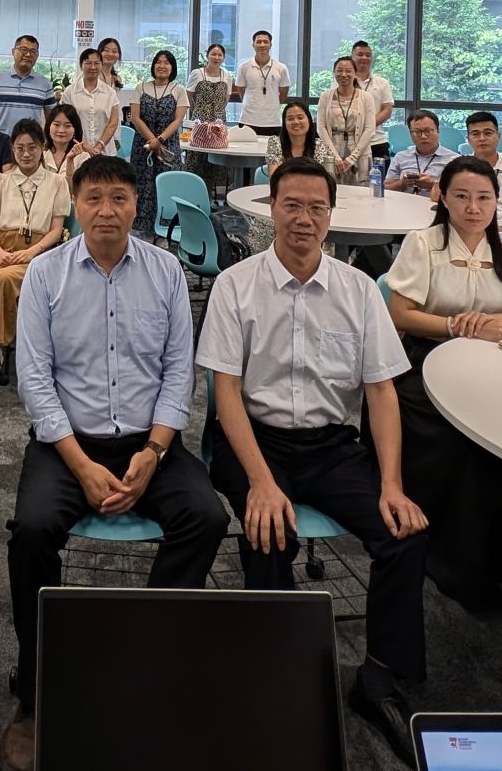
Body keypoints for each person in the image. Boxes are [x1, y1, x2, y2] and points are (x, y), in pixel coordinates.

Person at [0, 155, 227, 770]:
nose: (107, 211)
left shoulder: (166, 270)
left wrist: (154, 452)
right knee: (31, 532)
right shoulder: (45, 274)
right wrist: (78, 464)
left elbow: (179, 372)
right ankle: (36, 688)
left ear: (136, 204)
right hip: (66, 443)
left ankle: (145, 653)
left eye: (119, 198)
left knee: (206, 517)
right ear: (75, 205)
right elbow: (34, 379)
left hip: (150, 443)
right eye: (94, 198)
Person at [198, 157, 428, 762]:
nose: (304, 219)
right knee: (267, 530)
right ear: (271, 209)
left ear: (331, 215)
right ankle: (277, 675)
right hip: (254, 441)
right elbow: (226, 393)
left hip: (330, 447)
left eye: (316, 208)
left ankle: (377, 678)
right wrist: (260, 482)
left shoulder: (358, 290)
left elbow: (381, 392)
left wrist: (392, 484)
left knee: (403, 536)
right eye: (292, 205)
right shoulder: (236, 285)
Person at [383, 154, 502, 615]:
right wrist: (456, 327)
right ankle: (454, 563)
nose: (473, 207)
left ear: (497, 202)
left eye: (484, 198)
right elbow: (401, 314)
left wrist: (498, 324)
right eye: (461, 196)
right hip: (427, 359)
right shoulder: (424, 243)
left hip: (492, 364)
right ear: (442, 197)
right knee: (455, 441)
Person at [0, 119, 67, 393]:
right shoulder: (0, 181)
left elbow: (56, 230)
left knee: (6, 280)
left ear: (42, 148)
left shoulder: (57, 183)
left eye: (32, 147)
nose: (26, 154)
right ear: (12, 149)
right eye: (20, 148)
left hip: (39, 249)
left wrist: (30, 252)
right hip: (0, 245)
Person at [127, 49, 188, 234]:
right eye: (158, 62)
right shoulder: (140, 87)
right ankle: (139, 227)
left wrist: (160, 140)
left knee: (168, 185)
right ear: (153, 66)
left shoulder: (179, 90)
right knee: (141, 184)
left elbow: (178, 120)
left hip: (168, 146)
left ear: (172, 67)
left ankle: (166, 228)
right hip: (143, 146)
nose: (162, 66)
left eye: (166, 63)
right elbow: (135, 117)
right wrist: (152, 140)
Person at [248, 101, 320, 250]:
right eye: (290, 118)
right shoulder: (275, 143)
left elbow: (321, 181)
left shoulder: (319, 146)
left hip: (311, 202)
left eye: (300, 117)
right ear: (284, 123)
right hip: (283, 200)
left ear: (309, 120)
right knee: (269, 223)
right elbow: (275, 177)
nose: (296, 122)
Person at [317, 56, 372, 186]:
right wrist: (335, 157)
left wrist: (352, 159)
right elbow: (321, 127)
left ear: (355, 73)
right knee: (331, 188)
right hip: (333, 149)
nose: (343, 74)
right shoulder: (325, 96)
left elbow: (370, 129)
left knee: (360, 192)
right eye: (339, 70)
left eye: (348, 71)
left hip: (359, 152)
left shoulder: (366, 97)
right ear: (334, 73)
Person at [0, 35, 54, 136]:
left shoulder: (45, 84)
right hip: (0, 141)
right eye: (24, 50)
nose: (28, 54)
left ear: (37, 55)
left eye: (33, 51)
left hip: (31, 141)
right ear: (13, 52)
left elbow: (51, 119)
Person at [59, 48, 119, 159]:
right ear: (81, 66)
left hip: (105, 152)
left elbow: (113, 123)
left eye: (97, 63)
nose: (93, 67)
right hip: (77, 151)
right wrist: (85, 147)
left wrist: (99, 146)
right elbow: (66, 122)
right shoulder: (70, 92)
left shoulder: (110, 92)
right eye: (88, 63)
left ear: (101, 65)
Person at [233, 30, 291, 134]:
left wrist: (272, 102)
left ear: (271, 45)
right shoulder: (244, 67)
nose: (262, 45)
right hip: (248, 119)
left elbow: (283, 92)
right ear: (253, 45)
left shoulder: (281, 68)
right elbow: (241, 91)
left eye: (266, 42)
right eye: (259, 42)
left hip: (272, 121)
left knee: (271, 145)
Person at [384, 109, 450, 196]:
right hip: (402, 203)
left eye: (428, 131)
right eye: (417, 132)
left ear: (438, 130)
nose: (423, 136)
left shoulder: (453, 160)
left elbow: (459, 194)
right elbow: (386, 189)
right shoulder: (400, 157)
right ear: (410, 134)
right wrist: (402, 183)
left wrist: (433, 185)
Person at [351, 40, 396, 163]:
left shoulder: (382, 82)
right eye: (360, 54)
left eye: (368, 55)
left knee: (380, 174)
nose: (364, 58)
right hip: (350, 142)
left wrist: (367, 125)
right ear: (352, 57)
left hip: (377, 141)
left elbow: (387, 110)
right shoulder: (343, 81)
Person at [39, 104, 89, 182]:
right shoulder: (40, 153)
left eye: (67, 126)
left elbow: (78, 187)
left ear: (75, 129)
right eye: (56, 125)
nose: (61, 130)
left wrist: (70, 160)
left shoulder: (83, 157)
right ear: (49, 127)